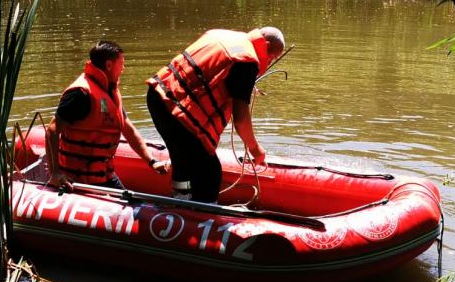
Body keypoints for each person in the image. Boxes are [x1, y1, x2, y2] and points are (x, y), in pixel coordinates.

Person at [146, 26, 286, 203]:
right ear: (265, 44)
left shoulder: (223, 35)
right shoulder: (248, 60)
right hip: (178, 111)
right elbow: (241, 118)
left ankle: (180, 202)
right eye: (272, 56)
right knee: (210, 173)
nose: (270, 60)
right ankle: (202, 218)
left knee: (181, 158)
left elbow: (213, 71)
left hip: (158, 95)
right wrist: (255, 149)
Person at [45, 40, 169, 190]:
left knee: (132, 206)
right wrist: (55, 173)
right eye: (121, 63)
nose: (124, 68)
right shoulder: (81, 94)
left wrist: (152, 161)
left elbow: (129, 130)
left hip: (106, 176)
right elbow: (52, 130)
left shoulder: (109, 91)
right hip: (77, 180)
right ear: (109, 65)